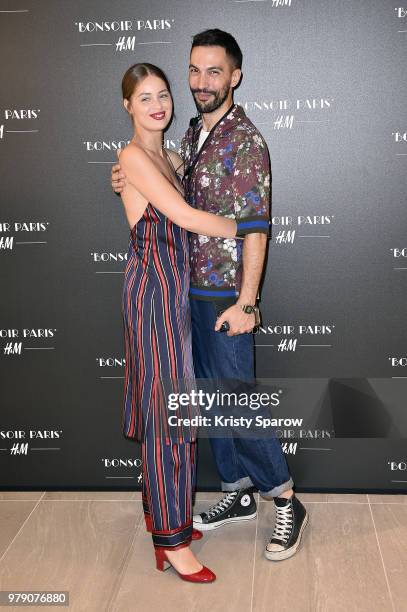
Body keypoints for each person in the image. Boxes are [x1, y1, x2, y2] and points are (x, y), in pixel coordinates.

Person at [112, 30, 308, 562]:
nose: (201, 82)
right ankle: (238, 490)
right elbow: (157, 181)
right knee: (209, 402)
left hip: (224, 294)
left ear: (235, 76)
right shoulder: (194, 132)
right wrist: (127, 175)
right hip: (181, 293)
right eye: (194, 71)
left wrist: (247, 300)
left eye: (214, 71)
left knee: (238, 400)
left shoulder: (248, 143)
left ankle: (286, 498)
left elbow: (257, 228)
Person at [118, 61, 240, 583]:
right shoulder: (131, 156)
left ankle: (166, 519)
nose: (157, 105)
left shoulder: (169, 154)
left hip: (175, 294)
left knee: (173, 409)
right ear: (128, 106)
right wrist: (249, 226)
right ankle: (170, 541)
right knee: (170, 413)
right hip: (152, 294)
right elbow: (187, 218)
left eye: (163, 94)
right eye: (144, 97)